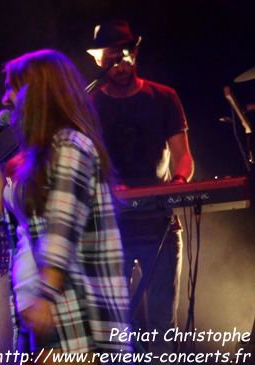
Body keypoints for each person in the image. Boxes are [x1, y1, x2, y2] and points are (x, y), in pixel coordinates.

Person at [0, 49, 132, 362]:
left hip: (69, 304)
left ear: (38, 91)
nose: (5, 99)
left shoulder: (70, 145)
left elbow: (61, 228)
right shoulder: (38, 155)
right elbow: (10, 221)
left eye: (12, 88)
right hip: (39, 301)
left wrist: (46, 295)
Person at [86, 20, 194, 360]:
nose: (117, 65)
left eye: (122, 56)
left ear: (134, 54)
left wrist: (177, 184)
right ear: (100, 62)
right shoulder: (90, 105)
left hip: (159, 225)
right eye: (109, 59)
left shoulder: (163, 97)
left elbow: (184, 157)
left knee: (162, 322)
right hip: (110, 230)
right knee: (114, 328)